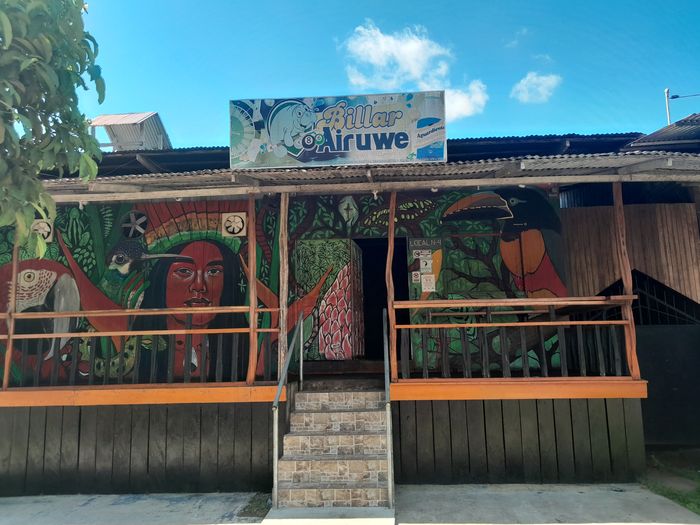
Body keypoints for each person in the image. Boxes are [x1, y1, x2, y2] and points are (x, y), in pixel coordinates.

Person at [136, 239, 246, 381]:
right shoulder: (134, 346)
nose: (199, 286)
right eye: (184, 271)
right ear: (161, 278)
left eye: (213, 271)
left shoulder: (245, 345)